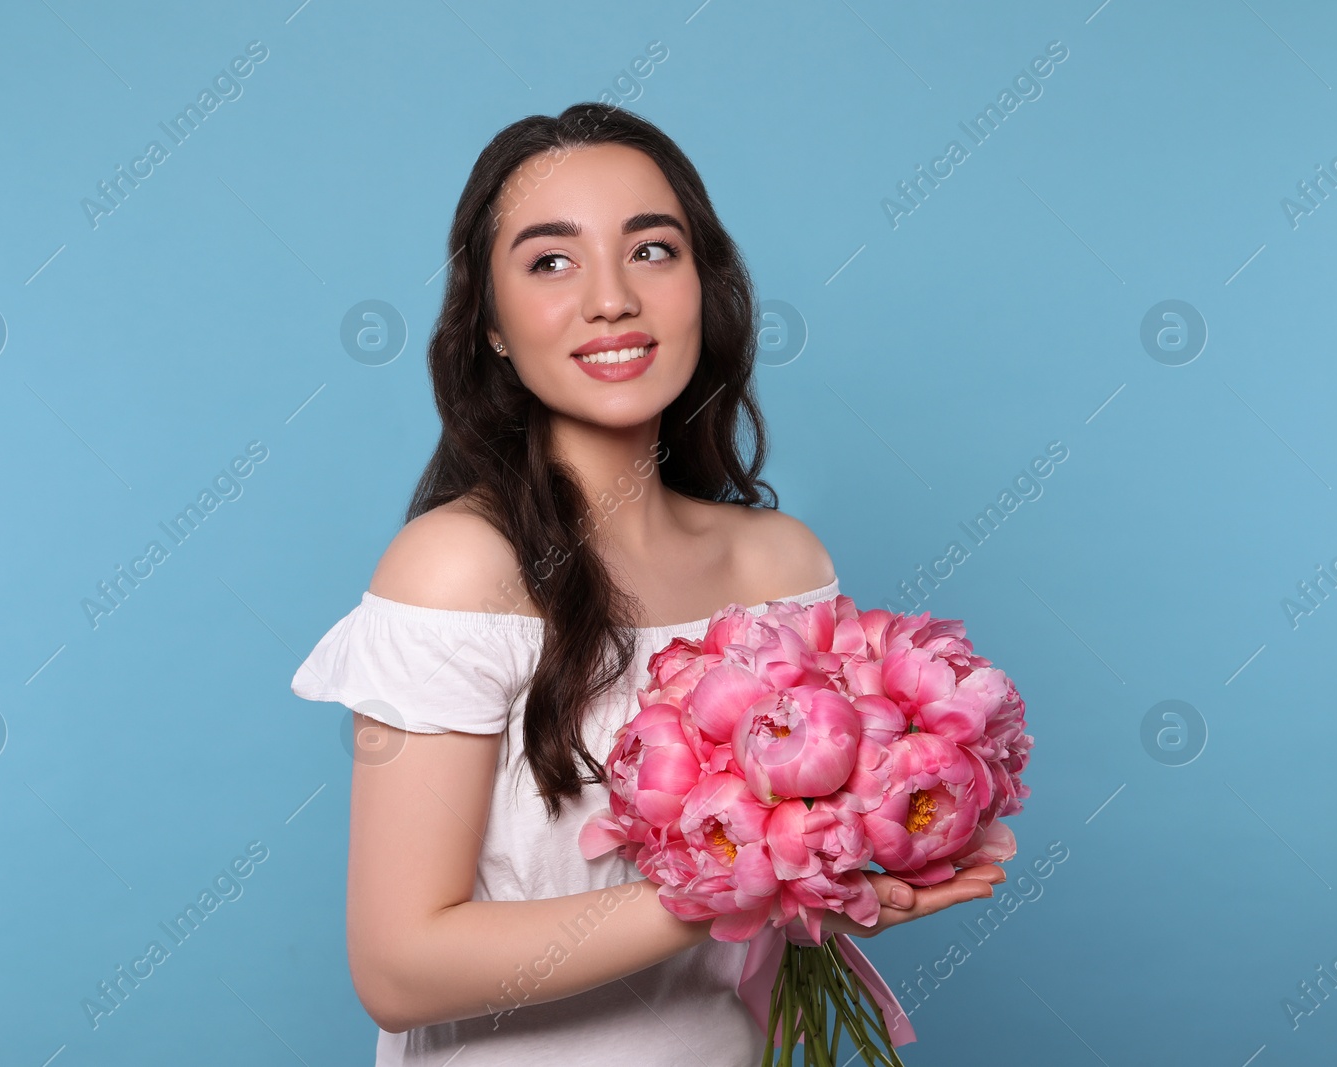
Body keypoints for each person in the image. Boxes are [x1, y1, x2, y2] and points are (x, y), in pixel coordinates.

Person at [291, 102, 1006, 1066]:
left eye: (652, 250)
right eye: (550, 261)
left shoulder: (782, 567)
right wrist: (739, 876)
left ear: (702, 287)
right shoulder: (456, 568)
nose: (611, 299)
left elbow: (772, 927)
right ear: (491, 326)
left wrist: (846, 886)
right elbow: (400, 965)